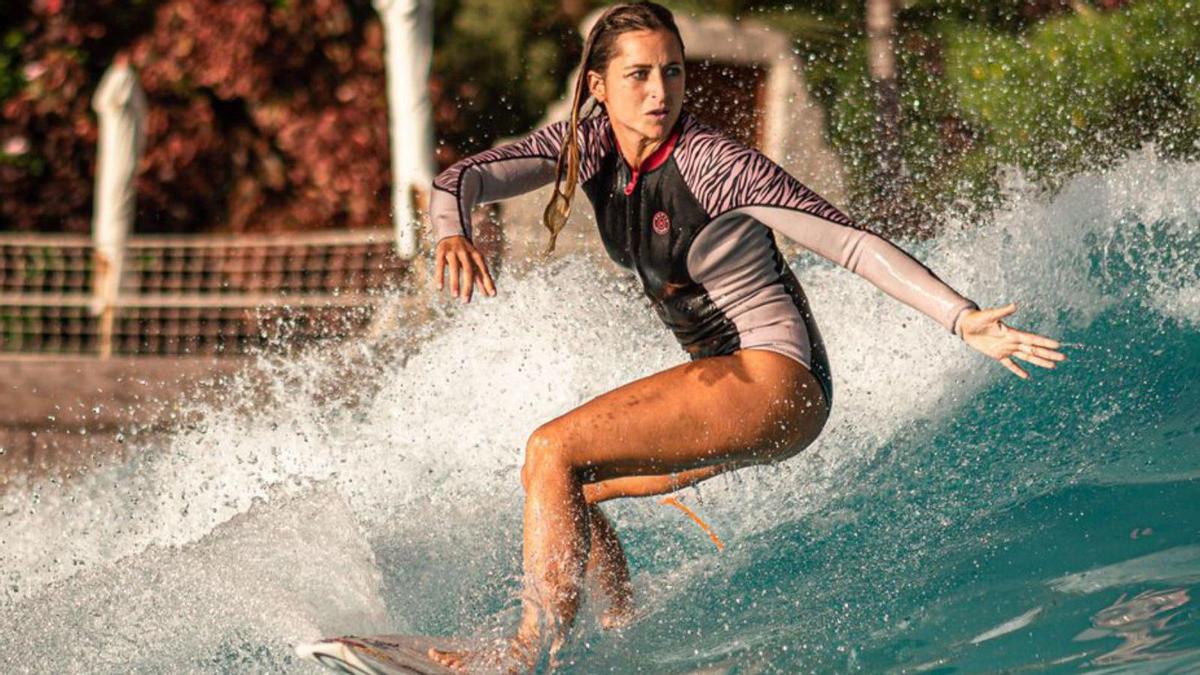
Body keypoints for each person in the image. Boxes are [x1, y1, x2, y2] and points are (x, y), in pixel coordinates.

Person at [424, 2, 1066, 671]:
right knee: (561, 487)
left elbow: (848, 241)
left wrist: (961, 317)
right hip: (735, 379)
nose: (658, 91)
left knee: (551, 445)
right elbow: (460, 179)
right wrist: (451, 230)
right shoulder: (586, 149)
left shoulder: (715, 163)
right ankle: (618, 629)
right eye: (638, 74)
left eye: (672, 72)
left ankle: (523, 652)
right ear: (598, 86)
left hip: (776, 377)